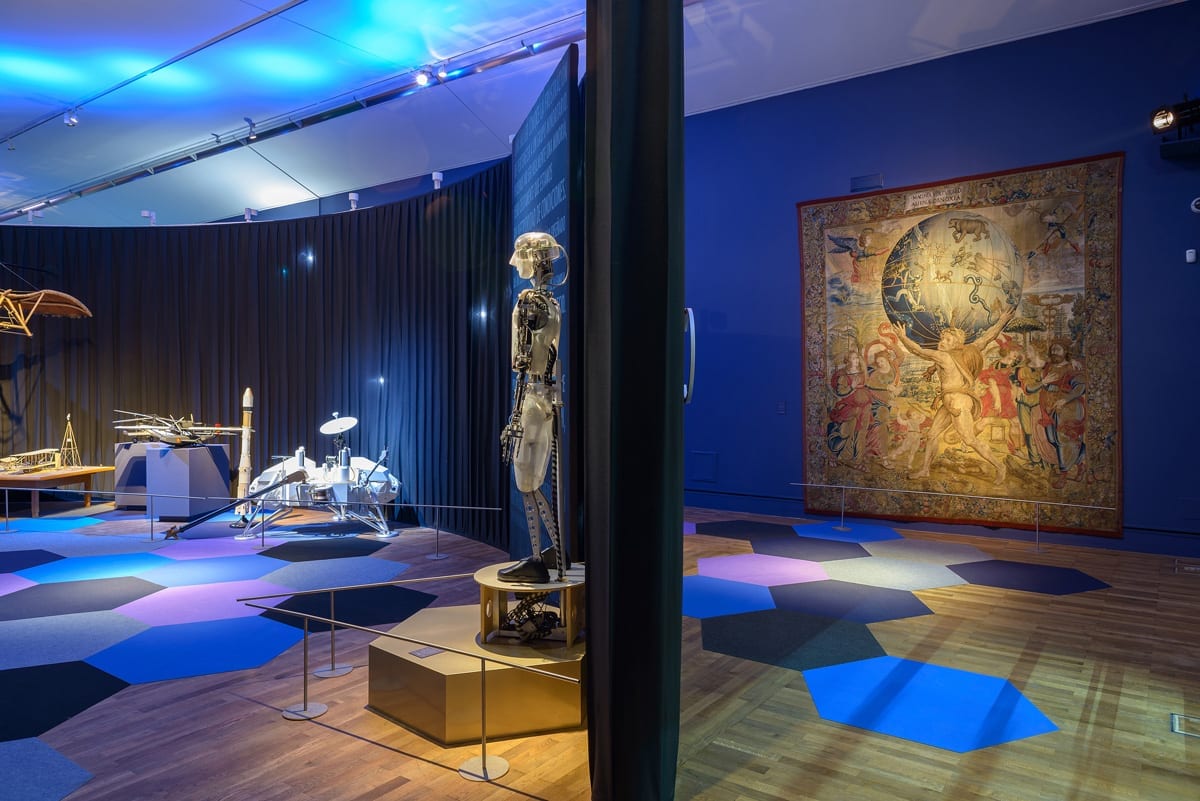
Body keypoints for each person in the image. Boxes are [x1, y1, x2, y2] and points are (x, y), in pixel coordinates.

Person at [498, 232, 569, 583]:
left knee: (527, 481)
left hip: (530, 398)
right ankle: (556, 552)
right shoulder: (552, 304)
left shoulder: (529, 303)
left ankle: (539, 558)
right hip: (548, 399)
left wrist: (514, 414)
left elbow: (523, 362)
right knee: (538, 478)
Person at [896, 305, 1016, 484]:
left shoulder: (945, 356)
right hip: (949, 402)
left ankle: (1000, 466)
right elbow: (987, 337)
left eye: (947, 340)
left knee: (969, 439)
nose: (942, 342)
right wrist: (1002, 321)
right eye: (942, 338)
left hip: (959, 402)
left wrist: (902, 337)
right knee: (932, 435)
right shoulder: (960, 353)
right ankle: (925, 470)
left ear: (956, 344)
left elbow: (918, 351)